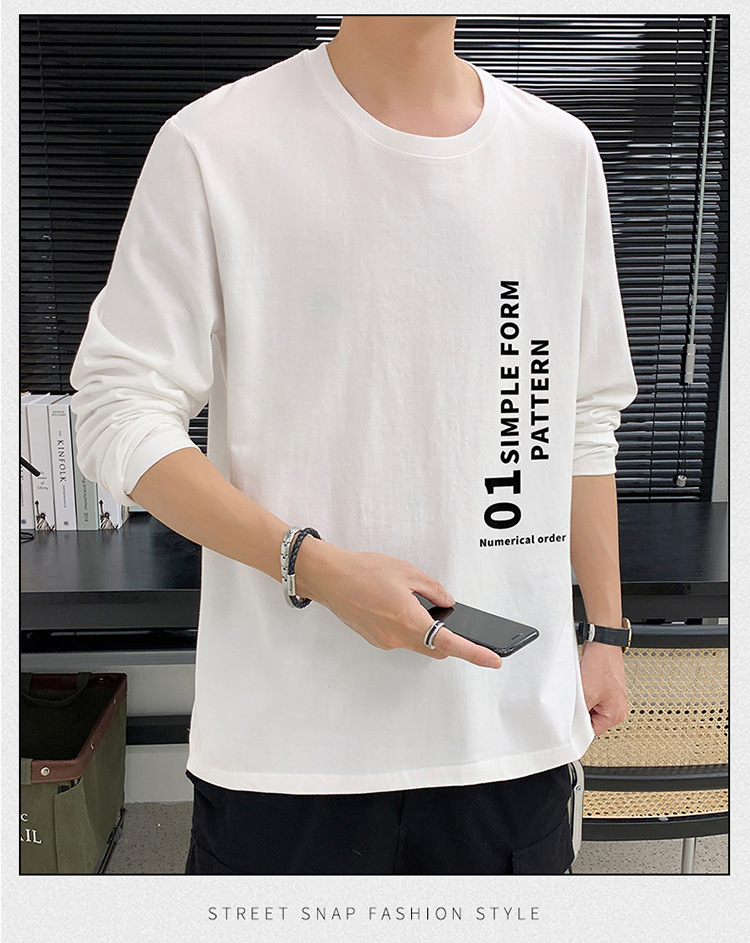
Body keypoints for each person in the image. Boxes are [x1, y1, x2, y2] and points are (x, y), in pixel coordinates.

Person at [69, 15, 638, 875]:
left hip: (506, 729)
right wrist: (317, 567)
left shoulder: (559, 153)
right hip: (290, 746)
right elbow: (118, 407)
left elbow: (582, 414)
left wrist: (609, 632)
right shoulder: (216, 143)